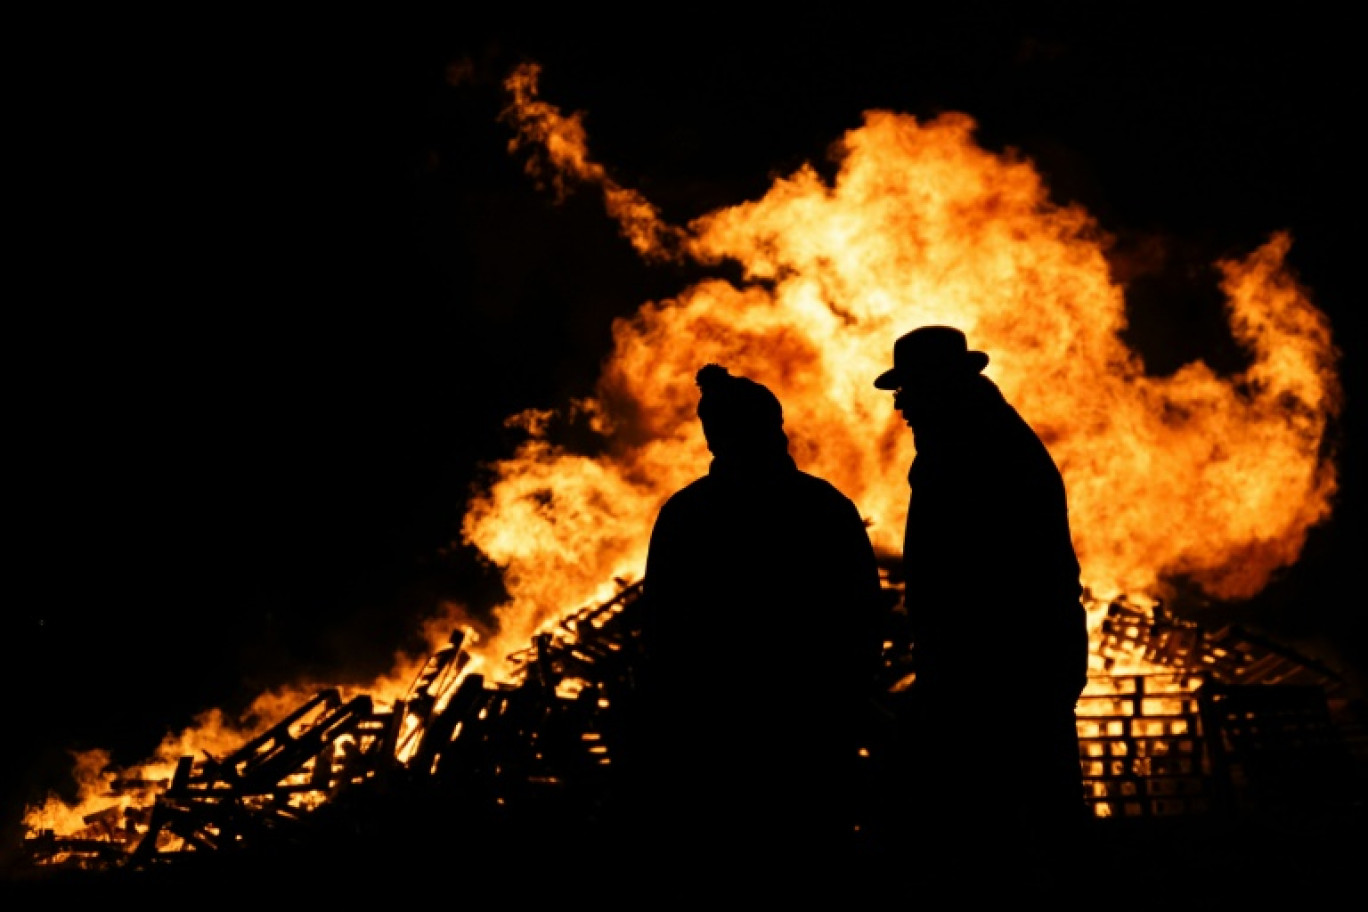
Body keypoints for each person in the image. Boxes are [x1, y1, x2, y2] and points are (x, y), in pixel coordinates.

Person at [619, 363, 888, 896]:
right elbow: (863, 621)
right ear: (775, 427)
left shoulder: (687, 515)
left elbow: (662, 634)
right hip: (809, 739)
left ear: (714, 436)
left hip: (713, 743)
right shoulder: (825, 509)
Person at [872, 325, 1089, 895]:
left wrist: (937, 639)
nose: (900, 404)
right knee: (1037, 810)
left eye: (909, 387)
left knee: (1000, 821)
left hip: (995, 669)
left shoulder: (972, 456)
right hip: (1017, 662)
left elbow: (978, 577)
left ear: (942, 384)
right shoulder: (983, 442)